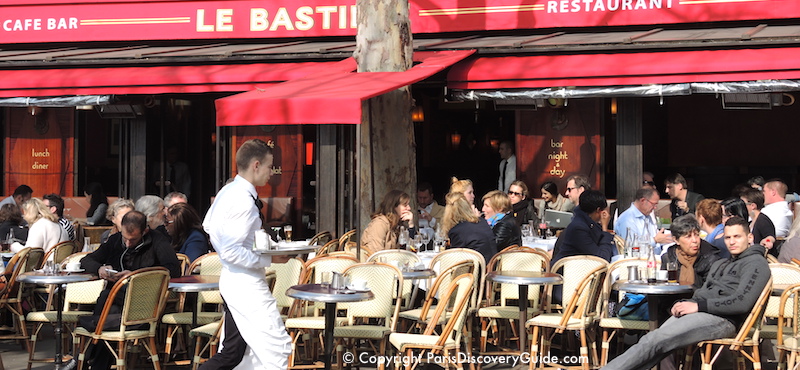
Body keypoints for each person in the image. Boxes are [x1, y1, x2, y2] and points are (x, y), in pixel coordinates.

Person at [603, 216, 771, 370]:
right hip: (703, 312)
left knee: (654, 340)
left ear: (750, 238)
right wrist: (685, 303)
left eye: (737, 237)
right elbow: (704, 291)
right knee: (656, 342)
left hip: (723, 319)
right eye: (728, 237)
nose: (732, 242)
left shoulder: (755, 263)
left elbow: (741, 302)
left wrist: (698, 305)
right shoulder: (725, 263)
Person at [201, 139, 292, 369]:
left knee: (238, 352)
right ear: (256, 165)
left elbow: (208, 225)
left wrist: (261, 251)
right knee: (277, 347)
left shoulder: (228, 190)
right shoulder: (242, 199)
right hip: (245, 283)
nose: (272, 173)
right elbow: (232, 251)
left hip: (233, 279)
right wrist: (268, 257)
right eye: (270, 166)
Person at [78, 210, 181, 370]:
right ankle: (92, 355)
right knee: (107, 300)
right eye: (125, 238)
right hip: (114, 301)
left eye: (132, 240)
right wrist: (100, 269)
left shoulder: (158, 242)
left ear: (145, 231)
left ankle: (84, 356)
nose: (127, 243)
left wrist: (136, 276)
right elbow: (86, 260)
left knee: (99, 312)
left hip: (143, 306)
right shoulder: (115, 240)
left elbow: (173, 269)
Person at [551, 190, 615, 266]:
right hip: (566, 272)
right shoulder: (578, 228)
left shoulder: (586, 222)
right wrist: (605, 228)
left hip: (581, 269)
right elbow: (602, 258)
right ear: (598, 210)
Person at [660, 214, 722, 288]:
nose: (694, 240)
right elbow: (663, 286)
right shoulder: (669, 258)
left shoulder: (711, 259)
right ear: (676, 240)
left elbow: (711, 291)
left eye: (696, 235)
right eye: (688, 236)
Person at [442, 192, 497, 263]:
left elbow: (455, 260)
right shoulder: (482, 221)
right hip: (492, 266)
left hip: (476, 270)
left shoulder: (456, 231)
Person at [615, 188, 673, 254]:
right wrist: (655, 240)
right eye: (653, 204)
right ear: (643, 201)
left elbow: (656, 235)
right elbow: (631, 247)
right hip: (637, 260)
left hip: (655, 258)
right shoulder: (627, 219)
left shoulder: (647, 216)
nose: (655, 207)